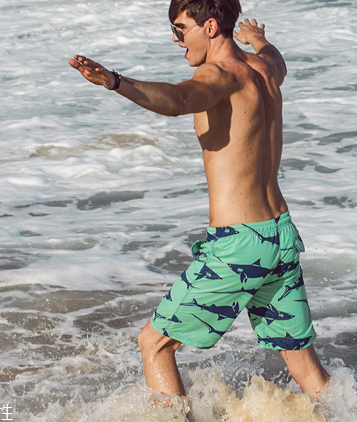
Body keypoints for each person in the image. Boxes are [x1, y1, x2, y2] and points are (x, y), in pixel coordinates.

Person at [69, 0, 330, 402]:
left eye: (179, 29)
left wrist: (115, 82)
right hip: (280, 235)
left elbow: (178, 100)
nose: (176, 40)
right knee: (304, 365)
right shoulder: (265, 69)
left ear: (209, 27)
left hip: (240, 244)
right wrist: (257, 39)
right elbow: (275, 56)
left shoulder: (219, 74)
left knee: (154, 343)